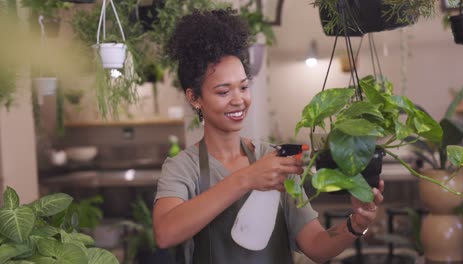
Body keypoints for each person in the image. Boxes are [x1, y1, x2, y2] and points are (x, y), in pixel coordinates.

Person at [153, 8, 384, 264]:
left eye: (243, 87)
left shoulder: (276, 159)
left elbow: (317, 247)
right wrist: (248, 178)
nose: (238, 100)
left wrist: (356, 224)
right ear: (194, 98)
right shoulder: (183, 167)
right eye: (223, 92)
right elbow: (165, 233)